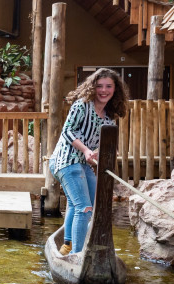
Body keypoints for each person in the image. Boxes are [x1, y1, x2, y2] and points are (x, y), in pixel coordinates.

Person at [49, 68, 128, 255]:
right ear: (92, 87)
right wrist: (85, 150)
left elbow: (100, 145)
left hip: (83, 164)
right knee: (83, 208)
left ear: (115, 89)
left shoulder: (108, 118)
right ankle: (77, 255)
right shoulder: (81, 105)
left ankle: (67, 244)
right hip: (66, 161)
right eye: (99, 86)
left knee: (87, 204)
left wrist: (107, 150)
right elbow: (67, 131)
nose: (104, 90)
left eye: (108, 86)